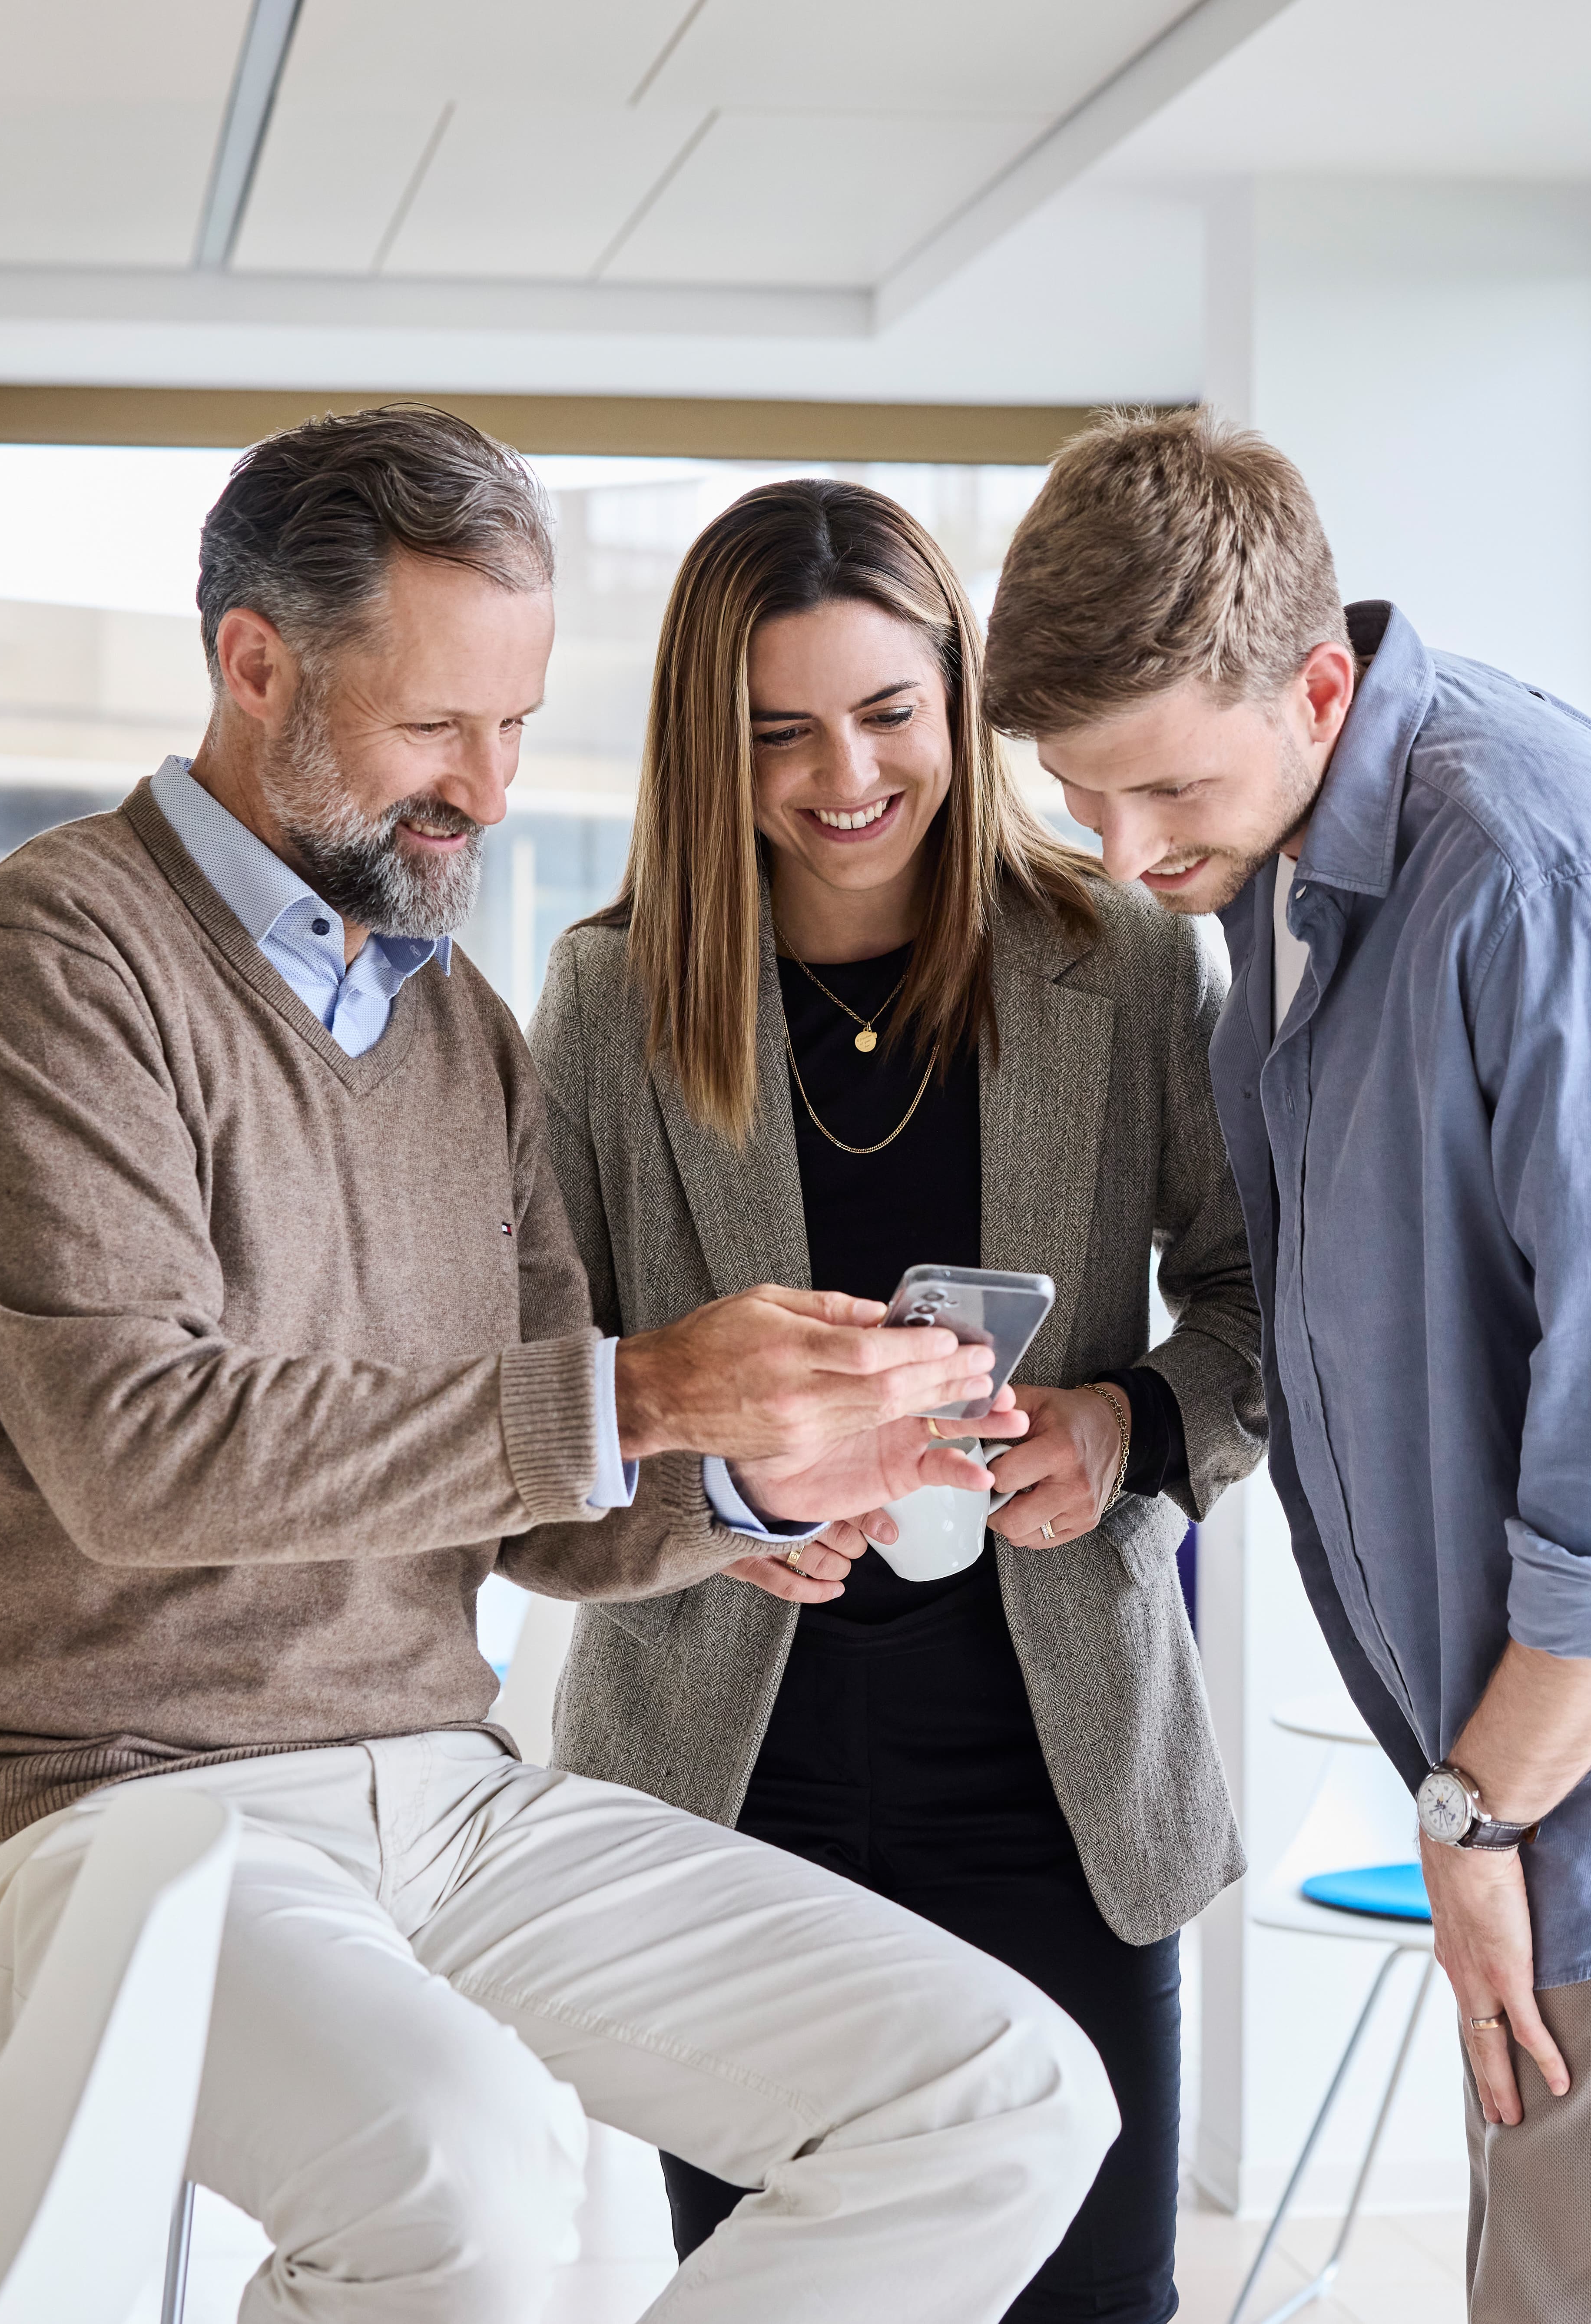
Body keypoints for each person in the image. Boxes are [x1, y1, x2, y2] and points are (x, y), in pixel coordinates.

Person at [0, 405, 1122, 2324]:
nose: (489, 790)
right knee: (461, 2171)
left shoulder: (454, 1028)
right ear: (253, 661)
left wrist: (764, 1479)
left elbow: (544, 1514)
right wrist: (646, 1395)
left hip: (437, 1789)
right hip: (83, 1803)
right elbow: (139, 1458)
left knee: (1001, 2096)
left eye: (519, 727)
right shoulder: (54, 964)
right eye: (439, 726)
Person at [981, 409, 1591, 2324]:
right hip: (1538, 1757)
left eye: (1160, 789)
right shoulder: (1303, 854)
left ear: (1314, 683)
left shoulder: (1550, 893)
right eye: (1082, 802)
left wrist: (1475, 1820)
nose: (1126, 851)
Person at [530, 480, 1264, 2324]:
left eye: (886, 713)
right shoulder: (611, 1003)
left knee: (1092, 2299)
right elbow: (534, 1422)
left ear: (959, 697)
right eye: (777, 733)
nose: (841, 775)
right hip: (724, 1792)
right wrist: (736, 1505)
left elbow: (1266, 1308)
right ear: (708, 751)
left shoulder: (1126, 964)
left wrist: (1128, 1432)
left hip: (1058, 1780)